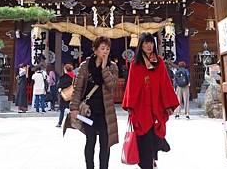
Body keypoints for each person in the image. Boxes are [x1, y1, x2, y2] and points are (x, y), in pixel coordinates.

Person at [122, 33, 179, 169]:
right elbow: (131, 86)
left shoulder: (158, 62)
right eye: (146, 43)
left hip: (156, 106)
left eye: (151, 43)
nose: (149, 46)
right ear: (141, 45)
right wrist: (130, 105)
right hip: (141, 107)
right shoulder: (135, 64)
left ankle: (151, 160)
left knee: (153, 136)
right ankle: (145, 163)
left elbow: (165, 84)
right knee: (143, 137)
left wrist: (168, 104)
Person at [70, 36, 119, 169]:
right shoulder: (85, 66)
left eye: (107, 49)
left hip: (105, 111)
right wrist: (74, 108)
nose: (105, 52)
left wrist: (104, 68)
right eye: (102, 48)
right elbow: (78, 88)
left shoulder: (112, 67)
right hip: (88, 111)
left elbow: (112, 86)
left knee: (105, 142)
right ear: (95, 50)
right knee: (90, 140)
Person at [56, 63, 75, 128]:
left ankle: (59, 123)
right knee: (72, 110)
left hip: (64, 95)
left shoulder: (62, 77)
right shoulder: (74, 77)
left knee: (62, 110)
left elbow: (58, 86)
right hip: (72, 95)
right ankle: (72, 123)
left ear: (65, 70)